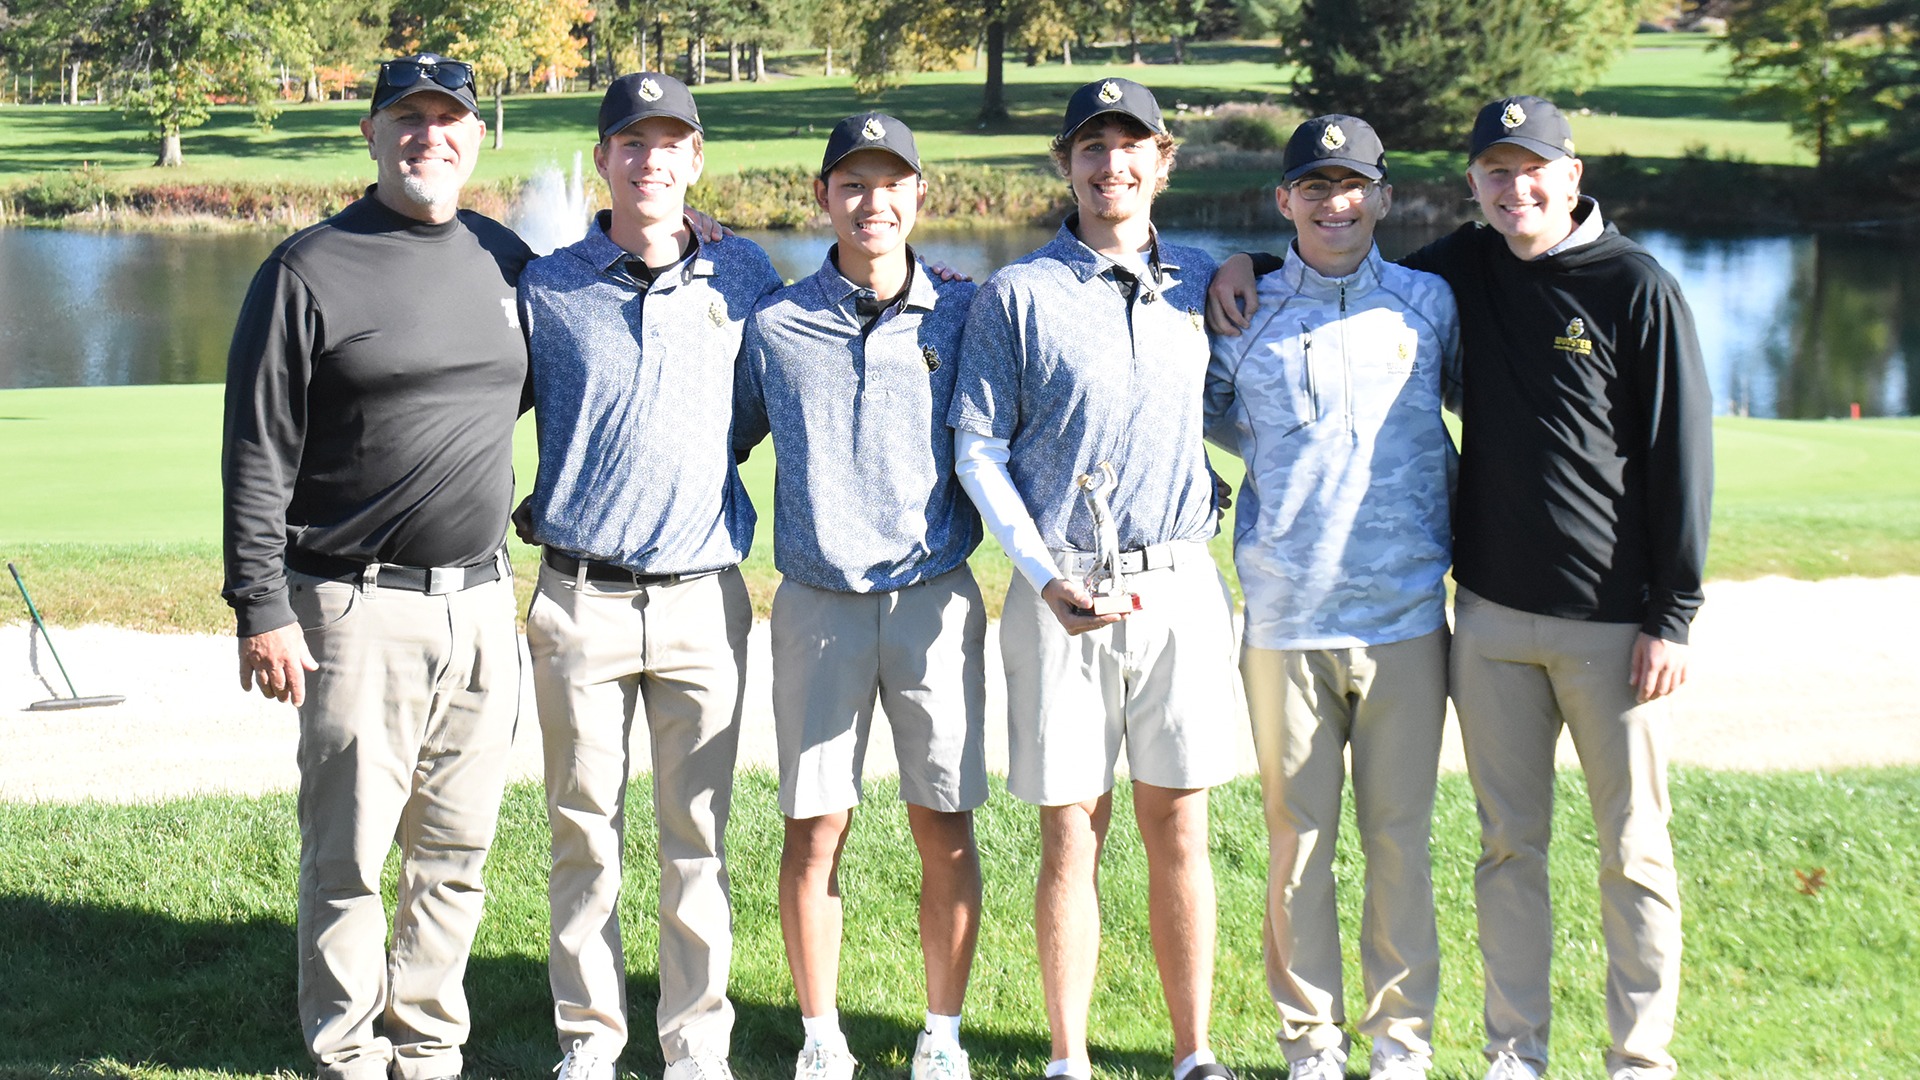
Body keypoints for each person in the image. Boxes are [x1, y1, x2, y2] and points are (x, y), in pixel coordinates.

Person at [1209, 95, 1712, 1080]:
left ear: (1570, 177)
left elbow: (1679, 455)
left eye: (1533, 171)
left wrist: (1675, 612)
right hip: (1481, 615)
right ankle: (1513, 1054)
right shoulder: (1461, 270)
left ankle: (1639, 1061)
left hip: (1611, 623)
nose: (1514, 188)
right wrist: (1248, 266)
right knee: (1506, 849)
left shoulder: (1631, 284)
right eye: (1494, 172)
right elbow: (1331, 274)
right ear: (1472, 188)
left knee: (1634, 853)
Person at [222, 52, 529, 1080]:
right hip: (353, 609)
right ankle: (346, 1054)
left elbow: (537, 370)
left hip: (485, 605)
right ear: (371, 131)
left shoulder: (503, 257)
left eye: (449, 121)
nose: (428, 138)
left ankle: (429, 1044)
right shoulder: (308, 268)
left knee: (455, 854)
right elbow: (256, 451)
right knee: (348, 858)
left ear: (478, 137)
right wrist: (260, 606)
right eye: (408, 118)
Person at [948, 77, 1241, 1080]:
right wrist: (1037, 573)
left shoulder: (1205, 279)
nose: (1111, 162)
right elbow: (979, 447)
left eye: (1131, 144)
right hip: (1060, 591)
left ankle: (1193, 1051)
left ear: (1163, 161)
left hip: (1178, 586)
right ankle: (1068, 1058)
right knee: (1070, 832)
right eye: (1090, 146)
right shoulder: (1017, 294)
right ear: (1065, 166)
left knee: (1181, 825)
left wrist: (1252, 257)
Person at [517, 71, 781, 1080]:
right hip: (578, 598)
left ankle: (695, 1044)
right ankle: (589, 1039)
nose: (653, 159)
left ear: (696, 162)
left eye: (672, 143)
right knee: (582, 835)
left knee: (697, 839)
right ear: (605, 161)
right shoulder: (550, 284)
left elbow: (777, 385)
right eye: (633, 143)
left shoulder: (743, 273)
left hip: (701, 600)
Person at [1203, 114, 1459, 1080]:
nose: (1335, 202)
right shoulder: (1247, 311)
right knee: (1298, 850)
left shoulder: (1430, 305)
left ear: (1383, 196)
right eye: (1314, 187)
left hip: (1404, 625)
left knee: (1401, 848)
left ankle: (1400, 1046)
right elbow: (1211, 416)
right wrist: (1237, 260)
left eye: (1352, 185)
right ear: (1285, 202)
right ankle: (1310, 1044)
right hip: (1282, 625)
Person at [732, 111, 987, 1080]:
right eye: (852, 183)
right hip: (816, 604)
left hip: (934, 599)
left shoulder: (966, 313)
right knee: (814, 826)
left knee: (945, 824)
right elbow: (732, 436)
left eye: (892, 183)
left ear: (920, 196)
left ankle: (943, 1033)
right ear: (823, 197)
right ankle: (821, 1036)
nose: (872, 201)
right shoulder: (777, 324)